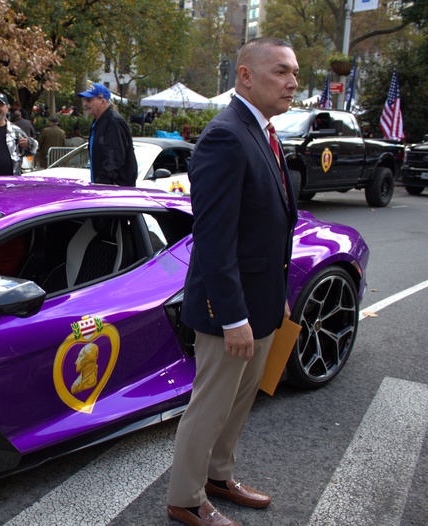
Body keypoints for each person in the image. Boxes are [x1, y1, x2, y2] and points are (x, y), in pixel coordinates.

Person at [166, 37, 299, 526]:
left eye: (295, 73)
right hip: (231, 311)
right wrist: (234, 316)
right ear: (245, 75)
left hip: (262, 301)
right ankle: (185, 497)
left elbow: (271, 226)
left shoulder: (263, 131)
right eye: (281, 71)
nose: (292, 82)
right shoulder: (226, 135)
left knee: (239, 403)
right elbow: (215, 239)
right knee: (210, 407)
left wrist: (278, 295)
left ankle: (219, 476)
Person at [77, 83, 137, 186]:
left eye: (89, 100)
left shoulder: (113, 122)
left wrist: (101, 185)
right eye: (84, 100)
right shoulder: (99, 122)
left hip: (114, 190)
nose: (85, 104)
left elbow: (113, 159)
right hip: (107, 188)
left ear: (102, 101)